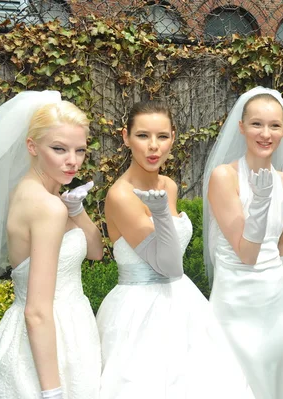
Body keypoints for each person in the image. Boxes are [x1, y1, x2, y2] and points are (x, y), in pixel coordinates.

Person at [96, 101, 254, 399]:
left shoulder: (168, 185)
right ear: (125, 137)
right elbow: (167, 264)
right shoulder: (119, 196)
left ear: (173, 137)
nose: (153, 146)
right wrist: (160, 216)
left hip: (183, 302)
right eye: (142, 136)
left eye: (162, 136)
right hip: (140, 312)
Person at [0, 91, 103, 399]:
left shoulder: (35, 193)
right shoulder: (47, 207)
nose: (72, 161)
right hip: (50, 342)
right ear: (32, 146)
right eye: (59, 149)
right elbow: (36, 311)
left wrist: (77, 210)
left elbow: (96, 253)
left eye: (80, 150)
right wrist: (52, 392)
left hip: (62, 329)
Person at [203, 86, 283, 399]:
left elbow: (282, 244)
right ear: (242, 127)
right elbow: (247, 253)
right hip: (234, 303)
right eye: (257, 124)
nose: (265, 133)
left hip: (275, 304)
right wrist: (258, 203)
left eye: (274, 125)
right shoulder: (224, 177)